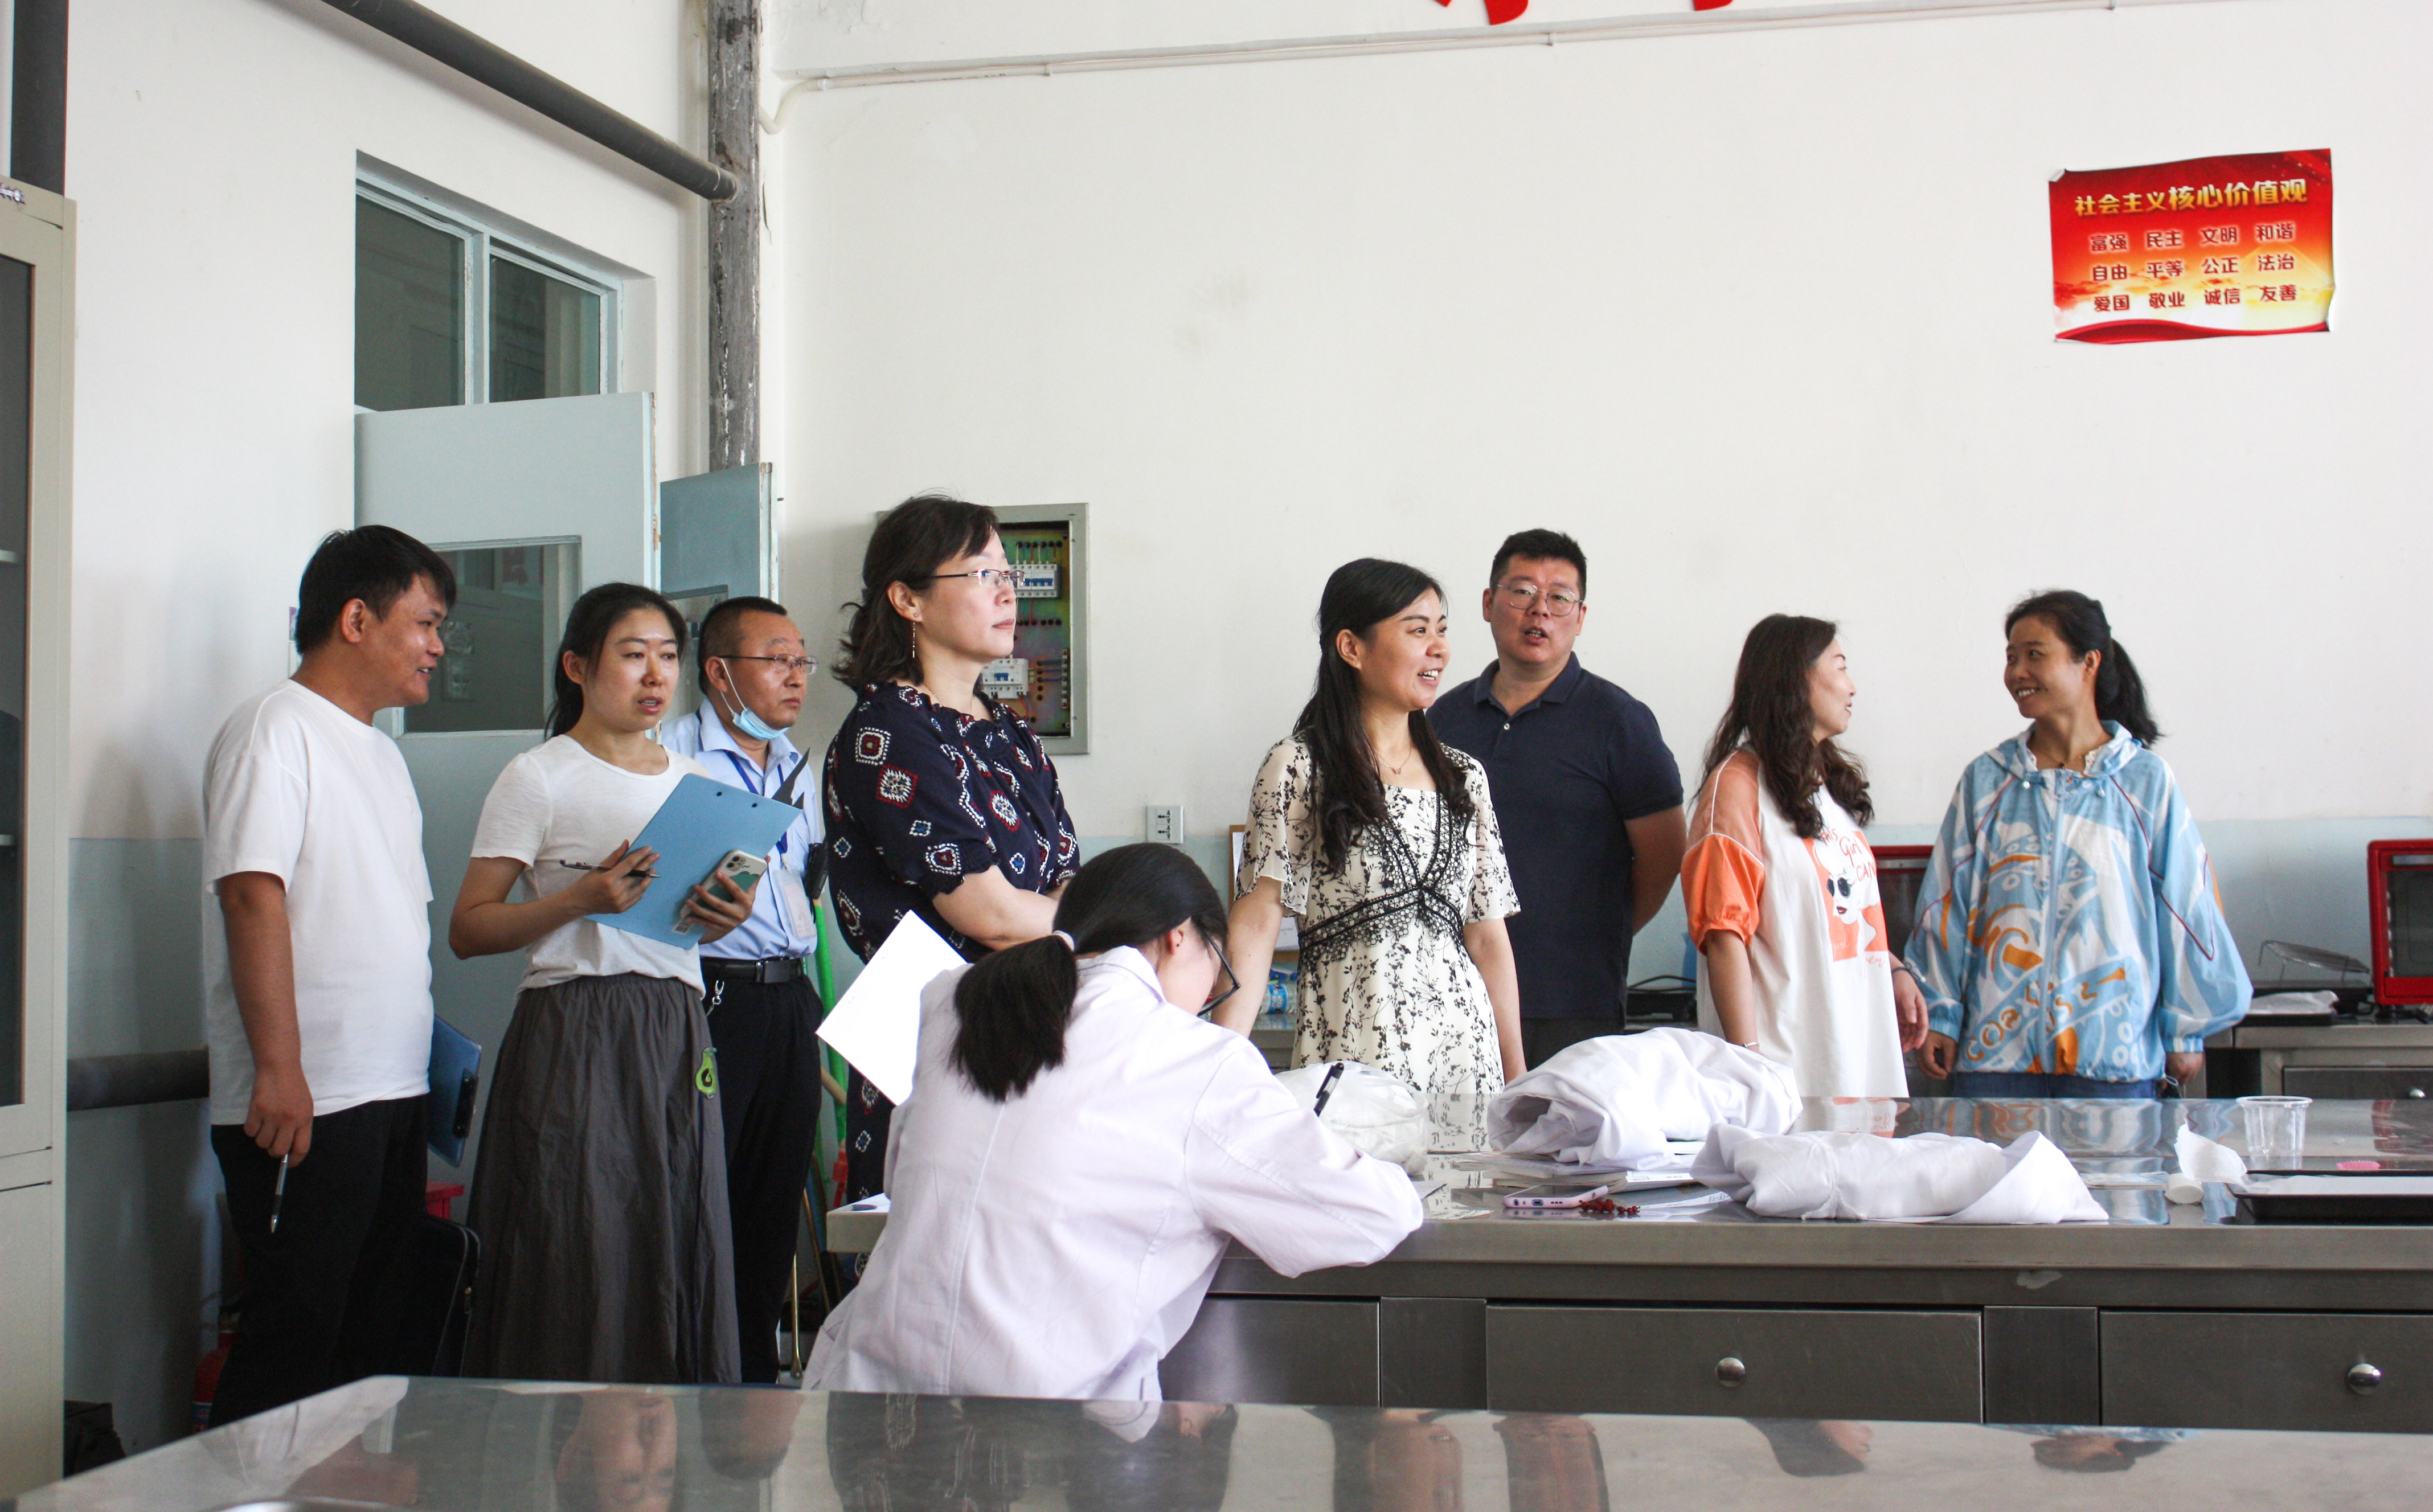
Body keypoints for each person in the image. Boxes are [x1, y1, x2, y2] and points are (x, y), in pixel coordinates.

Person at [806, 843, 1422, 1400]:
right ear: (1180, 937)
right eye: (1217, 976)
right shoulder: (1191, 1058)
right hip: (1041, 1438)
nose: (1206, 1004)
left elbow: (905, 1172)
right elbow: (1368, 1216)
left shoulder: (957, 1000)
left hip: (867, 1408)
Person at [449, 582, 759, 1383]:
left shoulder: (698, 783)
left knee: (674, 1221)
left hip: (675, 1024)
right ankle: (569, 1428)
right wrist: (578, 900)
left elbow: (692, 929)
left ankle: (665, 1434)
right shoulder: (539, 776)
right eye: (633, 655)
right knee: (575, 1228)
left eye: (668, 656)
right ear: (578, 667)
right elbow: (469, 928)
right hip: (575, 1024)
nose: (655, 676)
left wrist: (724, 916)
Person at [200, 526, 454, 1423]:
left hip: (390, 1088)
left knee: (368, 1335)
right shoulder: (273, 729)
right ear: (356, 619)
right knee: (292, 1335)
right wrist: (279, 1068)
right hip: (307, 1096)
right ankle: (243, 1488)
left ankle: (333, 1486)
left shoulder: (381, 753)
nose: (437, 646)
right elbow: (251, 897)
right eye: (425, 622)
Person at [822, 494, 1080, 1209]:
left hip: (1029, 1029)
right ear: (907, 599)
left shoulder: (1010, 731)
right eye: (982, 574)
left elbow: (1066, 878)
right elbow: (989, 914)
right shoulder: (888, 732)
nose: (1008, 593)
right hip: (937, 1046)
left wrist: (1070, 913)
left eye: (1009, 574)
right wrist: (1098, 923)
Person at [1216, 558, 1524, 1152]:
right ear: (1352, 647)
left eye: (1442, 629)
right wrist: (1219, 1067)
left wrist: (1518, 1081)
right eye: (1418, 630)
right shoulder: (1298, 766)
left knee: (1467, 1206)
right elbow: (1255, 924)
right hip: (1354, 1055)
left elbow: (1488, 938)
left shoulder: (1464, 778)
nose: (1439, 649)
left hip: (1465, 1061)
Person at [1910, 591, 2250, 1097]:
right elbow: (1945, 905)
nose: (2017, 672)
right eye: (2011, 657)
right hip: (1996, 1064)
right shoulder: (1987, 780)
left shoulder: (2145, 782)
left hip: (2112, 1065)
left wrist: (2185, 1029)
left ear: (2088, 662)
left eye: (2034, 654)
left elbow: (2186, 907)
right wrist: (1940, 1012)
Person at [1430, 529, 1685, 1064]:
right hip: (1453, 991)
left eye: (1560, 597)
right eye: (1522, 591)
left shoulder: (1620, 721)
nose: (1539, 611)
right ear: (1488, 603)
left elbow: (1663, 857)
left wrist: (1600, 931)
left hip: (1573, 999)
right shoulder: (1442, 720)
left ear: (1581, 616)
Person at [657, 595, 825, 1383]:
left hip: (790, 997)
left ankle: (754, 1371)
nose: (796, 676)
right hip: (713, 998)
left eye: (801, 660)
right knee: (705, 1192)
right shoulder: (671, 757)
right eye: (776, 660)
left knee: (774, 1195)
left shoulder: (797, 765)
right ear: (720, 672)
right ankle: (693, 1372)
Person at [1680, 616, 1924, 1099]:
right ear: (1797, 679)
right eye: (1841, 666)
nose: (1852, 686)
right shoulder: (1737, 785)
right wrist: (1750, 1065)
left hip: (1857, 1052)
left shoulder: (1824, 786)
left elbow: (1834, 914)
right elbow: (1724, 934)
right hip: (1787, 1069)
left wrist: (1893, 969)